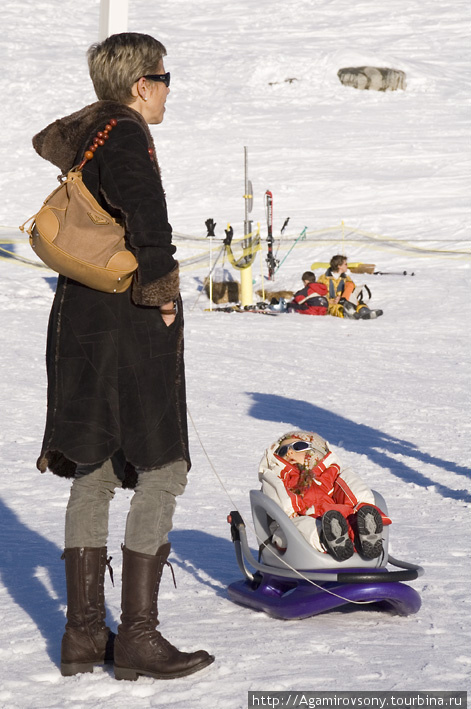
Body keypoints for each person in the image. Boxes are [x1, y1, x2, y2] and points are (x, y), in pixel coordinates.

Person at [32, 32, 214, 681]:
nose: (168, 89)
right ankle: (137, 635)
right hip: (129, 317)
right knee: (161, 465)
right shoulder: (127, 134)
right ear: (142, 83)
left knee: (99, 463)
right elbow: (148, 220)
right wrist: (163, 295)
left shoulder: (87, 135)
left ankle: (82, 634)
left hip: (80, 314)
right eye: (166, 77)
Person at [258, 431, 391, 561]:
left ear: (317, 451)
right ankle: (327, 537)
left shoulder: (330, 474)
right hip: (294, 525)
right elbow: (281, 505)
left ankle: (363, 534)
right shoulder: (279, 476)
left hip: (336, 518)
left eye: (298, 447)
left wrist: (363, 505)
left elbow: (350, 487)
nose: (289, 452)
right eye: (283, 451)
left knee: (349, 515)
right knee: (305, 527)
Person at [317, 254, 383, 320]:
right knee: (336, 308)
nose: (347, 266)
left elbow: (352, 291)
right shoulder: (323, 279)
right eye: (345, 264)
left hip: (344, 301)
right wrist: (332, 301)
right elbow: (319, 297)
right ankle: (349, 313)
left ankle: (364, 311)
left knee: (358, 303)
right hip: (332, 304)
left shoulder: (346, 278)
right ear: (339, 266)